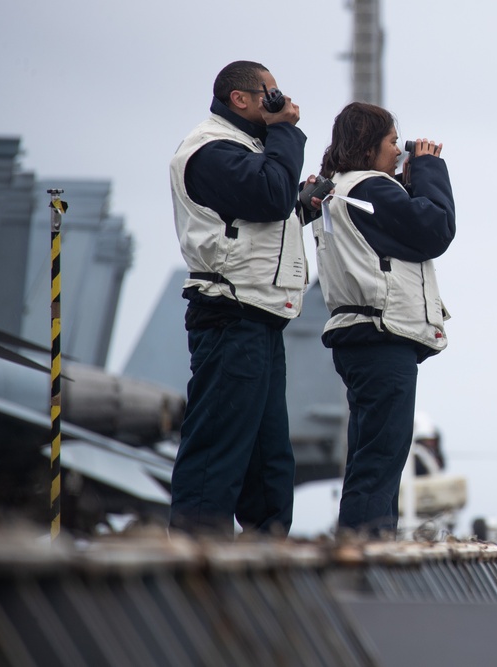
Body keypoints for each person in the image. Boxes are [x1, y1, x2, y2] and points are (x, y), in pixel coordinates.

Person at [168, 60, 313, 538]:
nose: (278, 101)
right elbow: (269, 196)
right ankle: (194, 568)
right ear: (241, 99)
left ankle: (264, 563)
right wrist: (286, 131)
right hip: (230, 315)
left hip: (261, 316)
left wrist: (304, 206)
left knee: (268, 458)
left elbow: (267, 213)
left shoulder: (248, 149)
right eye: (270, 93)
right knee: (218, 449)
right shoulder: (211, 149)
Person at [313, 101, 455, 537]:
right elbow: (433, 229)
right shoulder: (369, 189)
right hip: (381, 336)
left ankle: (363, 545)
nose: (399, 151)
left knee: (370, 455)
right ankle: (368, 551)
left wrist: (407, 184)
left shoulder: (340, 190)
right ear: (369, 144)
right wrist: (430, 170)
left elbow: (393, 238)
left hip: (359, 335)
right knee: (382, 458)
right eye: (393, 142)